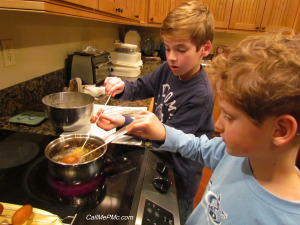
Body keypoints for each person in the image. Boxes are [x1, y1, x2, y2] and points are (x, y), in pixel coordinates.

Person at [125, 30, 300, 224]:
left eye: (230, 117)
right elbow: (196, 146)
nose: (217, 124)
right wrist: (164, 132)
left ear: (280, 130)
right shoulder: (231, 154)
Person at [97, 1, 215, 223]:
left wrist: (124, 120)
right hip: (159, 156)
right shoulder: (168, 69)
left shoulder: (200, 94)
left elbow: (169, 136)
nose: (171, 57)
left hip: (179, 175)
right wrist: (124, 87)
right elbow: (142, 86)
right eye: (167, 47)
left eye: (181, 50)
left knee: (177, 215)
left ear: (205, 49)